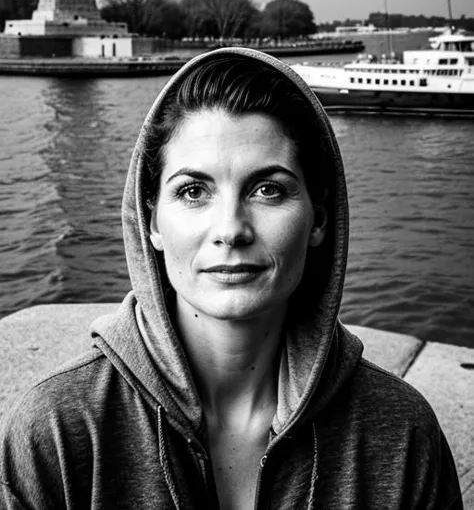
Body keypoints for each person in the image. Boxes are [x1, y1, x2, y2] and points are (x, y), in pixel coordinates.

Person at [0, 49, 463, 509]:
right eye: (193, 191)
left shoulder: (403, 434)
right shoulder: (57, 432)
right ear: (153, 224)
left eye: (268, 189)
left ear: (319, 218)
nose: (230, 230)